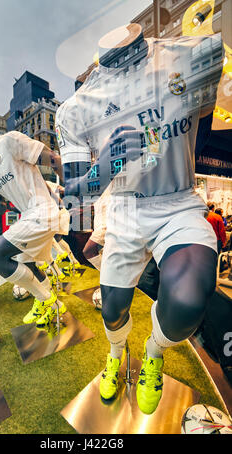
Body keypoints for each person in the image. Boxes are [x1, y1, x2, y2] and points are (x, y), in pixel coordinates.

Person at [56, 22, 224, 414]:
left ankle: (153, 353)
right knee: (112, 309)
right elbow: (79, 198)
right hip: (125, 210)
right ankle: (116, 354)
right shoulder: (78, 109)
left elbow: (202, 124)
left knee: (187, 300)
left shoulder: (192, 55)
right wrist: (109, 161)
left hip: (178, 200)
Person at [0, 130, 69, 327]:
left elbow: (53, 159)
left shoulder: (9, 140)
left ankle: (47, 300)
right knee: (27, 264)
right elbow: (1, 207)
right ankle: (50, 305)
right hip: (29, 215)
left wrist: (74, 189)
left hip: (43, 212)